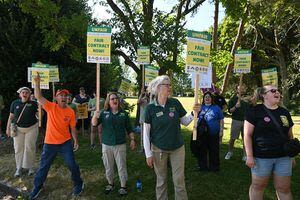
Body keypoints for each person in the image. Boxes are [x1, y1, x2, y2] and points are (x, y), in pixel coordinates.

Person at [143, 75, 197, 200]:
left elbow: (185, 122)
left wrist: (194, 113)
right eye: (167, 85)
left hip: (177, 147)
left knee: (179, 181)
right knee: (161, 180)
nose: (169, 87)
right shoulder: (150, 108)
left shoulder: (175, 102)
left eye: (169, 85)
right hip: (158, 149)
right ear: (158, 88)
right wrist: (148, 154)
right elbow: (146, 133)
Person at [29, 75, 84, 200]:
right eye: (61, 95)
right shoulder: (50, 107)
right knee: (44, 166)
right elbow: (38, 97)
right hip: (49, 143)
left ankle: (78, 183)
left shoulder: (70, 111)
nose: (64, 97)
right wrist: (37, 83)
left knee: (72, 164)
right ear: (56, 98)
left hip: (65, 143)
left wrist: (75, 140)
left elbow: (73, 128)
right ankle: (38, 187)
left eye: (66, 96)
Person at [244, 85, 295, 200]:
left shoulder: (284, 112)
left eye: (277, 90)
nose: (277, 92)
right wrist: (250, 156)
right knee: (258, 187)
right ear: (263, 95)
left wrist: (291, 156)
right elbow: (247, 135)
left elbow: (289, 135)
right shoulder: (254, 111)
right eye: (273, 90)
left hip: (283, 157)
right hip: (261, 157)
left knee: (284, 189)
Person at [92, 92, 136, 196]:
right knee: (108, 166)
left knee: (121, 166)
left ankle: (123, 186)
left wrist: (133, 139)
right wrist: (95, 115)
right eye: (112, 99)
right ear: (108, 101)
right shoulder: (103, 113)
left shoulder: (124, 114)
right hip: (106, 144)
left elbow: (129, 129)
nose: (114, 100)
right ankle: (110, 184)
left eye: (116, 98)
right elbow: (94, 124)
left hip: (120, 144)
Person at [6, 87, 39, 177]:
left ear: (29, 94)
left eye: (26, 92)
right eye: (23, 92)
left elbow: (39, 116)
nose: (24, 94)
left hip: (31, 128)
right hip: (18, 129)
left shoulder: (34, 103)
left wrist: (41, 109)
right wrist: (7, 128)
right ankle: (19, 168)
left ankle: (30, 167)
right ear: (20, 94)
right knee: (18, 148)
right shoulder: (14, 103)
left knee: (30, 147)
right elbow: (11, 117)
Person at [193, 91, 224, 171]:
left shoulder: (216, 107)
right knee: (202, 150)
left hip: (213, 133)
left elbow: (221, 120)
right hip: (202, 134)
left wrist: (221, 130)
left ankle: (214, 167)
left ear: (211, 99)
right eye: (205, 97)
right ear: (203, 98)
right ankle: (202, 166)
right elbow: (195, 117)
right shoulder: (200, 107)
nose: (207, 98)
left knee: (214, 150)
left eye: (209, 97)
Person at [225, 85, 249, 160]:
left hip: (246, 121)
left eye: (243, 88)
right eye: (240, 88)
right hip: (236, 120)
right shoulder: (233, 99)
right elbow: (230, 111)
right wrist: (235, 106)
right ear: (237, 90)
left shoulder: (247, 99)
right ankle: (230, 152)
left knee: (245, 138)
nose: (241, 90)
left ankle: (245, 154)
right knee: (233, 138)